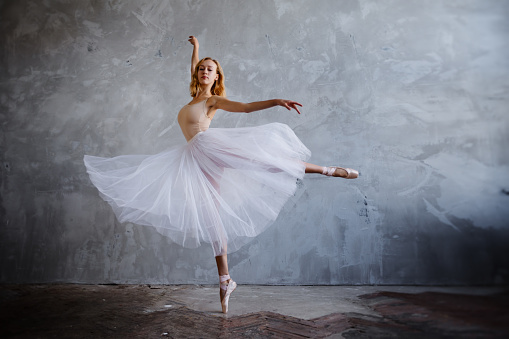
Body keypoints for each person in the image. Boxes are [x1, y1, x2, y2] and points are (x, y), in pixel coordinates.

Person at [83, 35, 358, 314]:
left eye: (209, 70)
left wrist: (276, 101)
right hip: (196, 159)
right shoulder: (194, 97)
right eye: (201, 68)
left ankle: (328, 169)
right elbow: (193, 66)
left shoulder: (213, 100)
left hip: (210, 147)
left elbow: (247, 108)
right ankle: (225, 280)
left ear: (216, 77)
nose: (203, 71)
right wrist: (197, 49)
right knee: (213, 216)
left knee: (263, 161)